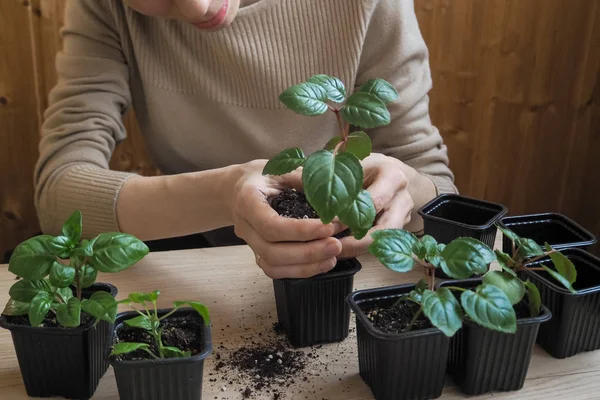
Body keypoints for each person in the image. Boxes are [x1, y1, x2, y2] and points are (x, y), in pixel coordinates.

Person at [35, 0, 457, 280]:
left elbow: (437, 187)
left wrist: (406, 187)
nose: (197, 6)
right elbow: (60, 192)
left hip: (339, 278)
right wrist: (224, 194)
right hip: (194, 273)